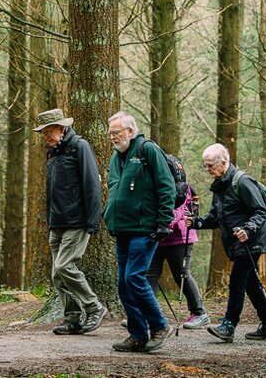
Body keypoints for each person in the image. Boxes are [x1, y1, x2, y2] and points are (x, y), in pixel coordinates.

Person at [185, 143, 266, 342]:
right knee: (251, 284)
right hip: (239, 241)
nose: (208, 169)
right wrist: (195, 222)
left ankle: (229, 325)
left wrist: (248, 229)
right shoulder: (220, 185)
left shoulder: (242, 182)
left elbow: (260, 210)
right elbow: (215, 218)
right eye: (205, 165)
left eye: (210, 165)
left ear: (224, 162)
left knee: (237, 279)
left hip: (252, 239)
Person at [102, 111, 175, 352]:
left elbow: (166, 186)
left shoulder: (148, 150)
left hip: (146, 228)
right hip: (122, 229)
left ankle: (159, 326)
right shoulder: (116, 157)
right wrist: (107, 214)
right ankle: (137, 334)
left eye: (117, 132)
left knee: (134, 277)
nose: (113, 137)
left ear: (130, 132)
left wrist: (164, 221)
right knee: (124, 284)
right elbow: (114, 189)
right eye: (111, 133)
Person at [33, 108, 108, 335]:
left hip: (77, 221)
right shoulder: (52, 152)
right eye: (43, 132)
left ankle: (94, 307)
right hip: (57, 223)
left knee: (65, 266)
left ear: (62, 127)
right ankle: (72, 319)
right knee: (58, 274)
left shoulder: (79, 146)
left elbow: (92, 186)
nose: (46, 136)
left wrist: (93, 221)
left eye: (49, 131)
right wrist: (51, 220)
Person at [145, 184, 211, 329]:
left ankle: (199, 313)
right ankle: (147, 314)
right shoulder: (152, 183)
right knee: (149, 275)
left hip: (179, 238)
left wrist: (163, 225)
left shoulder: (181, 186)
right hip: (157, 237)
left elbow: (178, 210)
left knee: (181, 275)